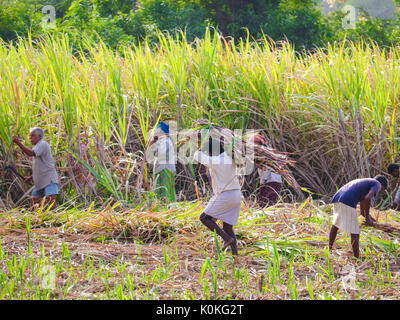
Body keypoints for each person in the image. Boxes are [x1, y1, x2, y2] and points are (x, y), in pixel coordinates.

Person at [193, 136, 242, 255]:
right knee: (228, 227)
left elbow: (197, 156)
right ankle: (235, 254)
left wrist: (200, 147)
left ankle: (227, 239)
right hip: (236, 195)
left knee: (204, 218)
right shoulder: (230, 157)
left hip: (225, 195)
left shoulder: (217, 161)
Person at [329, 175, 388, 258]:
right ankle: (357, 257)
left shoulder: (364, 183)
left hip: (338, 197)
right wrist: (367, 217)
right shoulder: (377, 184)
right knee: (355, 233)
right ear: (382, 185)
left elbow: (363, 207)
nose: (379, 191)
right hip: (347, 200)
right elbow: (368, 198)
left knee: (336, 225)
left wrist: (371, 219)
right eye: (382, 190)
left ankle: (329, 249)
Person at [12, 127, 59, 208]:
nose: (30, 138)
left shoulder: (43, 144)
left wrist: (18, 142)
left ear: (40, 136)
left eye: (33, 136)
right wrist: (31, 177)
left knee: (51, 203)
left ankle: (56, 219)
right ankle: (36, 219)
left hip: (49, 180)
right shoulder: (37, 146)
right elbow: (40, 166)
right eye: (30, 136)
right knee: (34, 203)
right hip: (40, 181)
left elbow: (31, 153)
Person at [249, 133, 283, 207]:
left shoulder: (263, 154)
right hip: (272, 180)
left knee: (266, 202)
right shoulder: (265, 153)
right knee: (265, 201)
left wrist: (262, 183)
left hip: (271, 181)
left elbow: (266, 171)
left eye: (254, 144)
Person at [151, 122, 177, 203]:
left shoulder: (165, 141)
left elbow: (161, 155)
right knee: (165, 190)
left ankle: (166, 208)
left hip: (165, 169)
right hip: (164, 169)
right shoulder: (163, 140)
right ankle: (168, 207)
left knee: (165, 191)